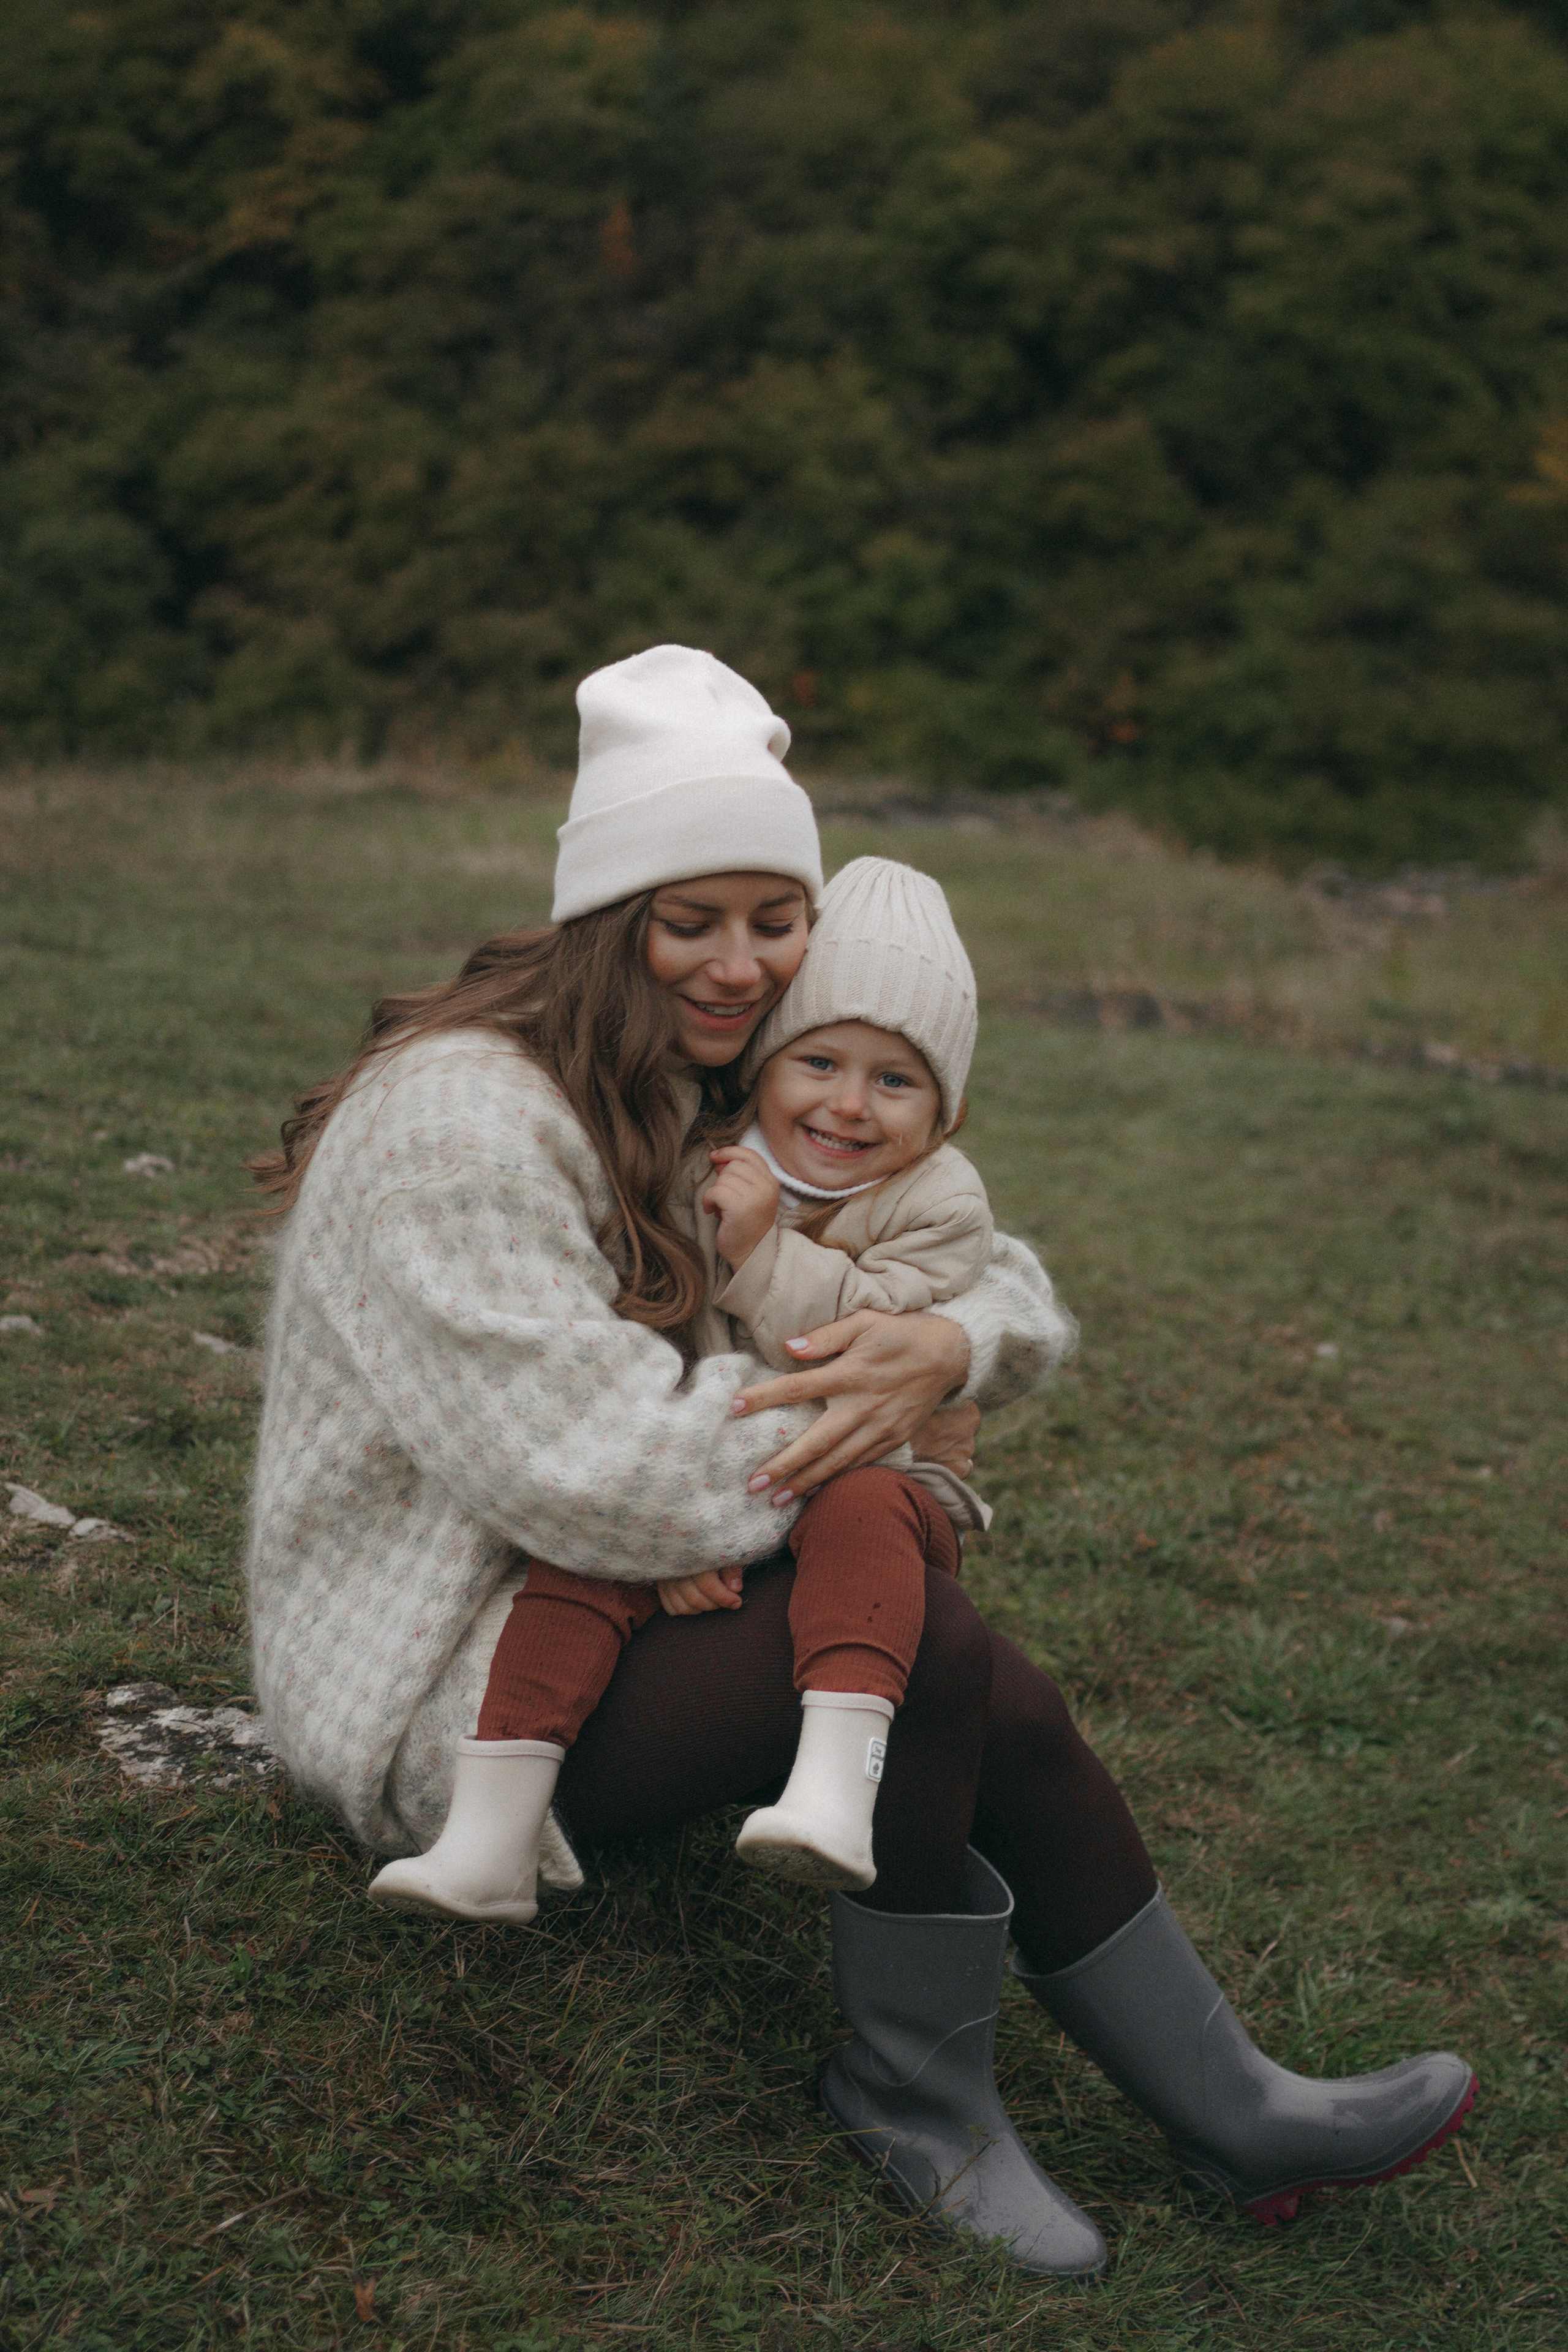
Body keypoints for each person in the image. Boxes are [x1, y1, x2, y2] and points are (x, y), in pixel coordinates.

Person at [247, 643, 1476, 2281]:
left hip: (615, 1588)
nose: (748, 965)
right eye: (697, 918)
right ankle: (921, 2100)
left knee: (948, 1656)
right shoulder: (465, 1125)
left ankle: (1230, 2101)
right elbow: (599, 1471)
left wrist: (950, 1346)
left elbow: (987, 1266)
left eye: (779, 917)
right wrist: (878, 1428)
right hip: (449, 1687)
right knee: (935, 1645)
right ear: (610, 912)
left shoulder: (693, 1071)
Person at [371, 853, 996, 1913]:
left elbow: (868, 1346)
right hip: (703, 1473)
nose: (849, 1107)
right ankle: (489, 1838)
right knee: (576, 1569)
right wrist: (671, 1532)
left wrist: (762, 1253)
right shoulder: (699, 1155)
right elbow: (634, 1333)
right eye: (819, 1063)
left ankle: (835, 1789)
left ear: (942, 1117)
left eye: (896, 1083)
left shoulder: (940, 1203)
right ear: (764, 1065)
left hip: (854, 1475)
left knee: (866, 1513)